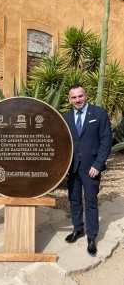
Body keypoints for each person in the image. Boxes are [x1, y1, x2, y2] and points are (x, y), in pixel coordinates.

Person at [63, 84, 112, 257]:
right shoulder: (66, 117)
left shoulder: (99, 113)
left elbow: (106, 141)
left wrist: (98, 165)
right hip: (73, 168)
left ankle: (92, 236)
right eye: (74, 97)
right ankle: (78, 229)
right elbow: (64, 145)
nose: (77, 100)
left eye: (80, 96)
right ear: (69, 100)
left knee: (90, 202)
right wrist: (65, 169)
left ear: (86, 95)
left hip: (91, 167)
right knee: (74, 200)